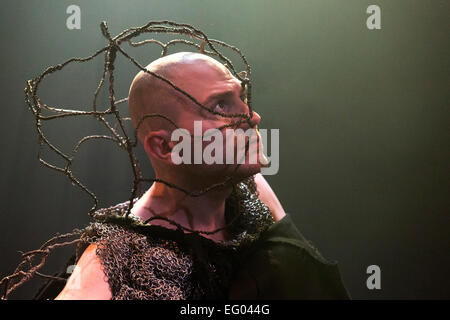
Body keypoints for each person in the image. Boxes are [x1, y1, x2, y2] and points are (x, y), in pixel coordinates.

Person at [50, 52, 349, 300]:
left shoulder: (251, 190)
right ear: (166, 146)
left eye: (241, 97)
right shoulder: (112, 257)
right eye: (221, 105)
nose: (252, 117)